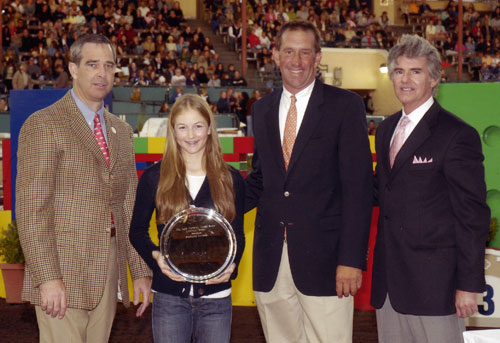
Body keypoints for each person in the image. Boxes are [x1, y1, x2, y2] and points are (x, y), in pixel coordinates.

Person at [16, 34, 152, 343]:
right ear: (73, 69)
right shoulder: (44, 124)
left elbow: (129, 205)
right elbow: (32, 209)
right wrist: (47, 278)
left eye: (108, 65)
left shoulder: (122, 131)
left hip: (108, 271)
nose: (102, 73)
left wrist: (139, 269)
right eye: (92, 65)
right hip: (62, 270)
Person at [245, 20, 373, 343]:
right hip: (272, 262)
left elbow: (359, 190)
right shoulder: (261, 110)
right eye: (289, 51)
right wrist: (213, 196)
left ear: (318, 58)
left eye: (305, 53)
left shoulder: (345, 107)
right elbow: (261, 181)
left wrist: (351, 260)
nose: (296, 61)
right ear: (275, 56)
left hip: (328, 263)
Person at [371, 34, 490, 342]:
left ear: (435, 78)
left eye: (416, 71)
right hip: (388, 288)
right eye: (399, 71)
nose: (405, 79)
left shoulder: (457, 135)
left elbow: (472, 216)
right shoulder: (385, 130)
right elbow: (380, 191)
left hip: (436, 288)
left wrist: (468, 284)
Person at [129, 94, 245, 343]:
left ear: (210, 129)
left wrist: (232, 267)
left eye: (198, 126)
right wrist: (156, 256)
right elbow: (136, 231)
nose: (191, 135)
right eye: (182, 127)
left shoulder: (231, 179)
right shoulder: (154, 177)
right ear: (172, 131)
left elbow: (237, 235)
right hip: (169, 296)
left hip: (216, 298)